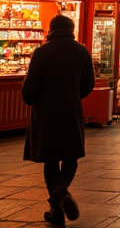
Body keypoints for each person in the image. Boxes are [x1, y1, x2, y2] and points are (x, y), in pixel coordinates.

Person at [22, 14, 95, 225]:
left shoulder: (41, 52)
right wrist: (72, 95)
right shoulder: (82, 51)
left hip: (44, 114)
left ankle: (57, 205)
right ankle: (60, 192)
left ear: (50, 30)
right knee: (71, 158)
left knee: (50, 159)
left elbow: (29, 91)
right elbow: (88, 83)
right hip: (71, 110)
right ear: (71, 29)